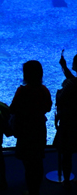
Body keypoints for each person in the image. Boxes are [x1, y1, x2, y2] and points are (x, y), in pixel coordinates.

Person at [10, 60, 52, 195]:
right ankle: (36, 190)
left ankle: (31, 190)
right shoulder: (44, 90)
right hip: (39, 128)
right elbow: (48, 107)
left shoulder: (22, 91)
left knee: (28, 162)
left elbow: (13, 108)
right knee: (38, 160)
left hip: (25, 130)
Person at [55, 51, 77, 190]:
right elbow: (73, 80)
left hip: (69, 123)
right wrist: (64, 67)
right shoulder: (74, 81)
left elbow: (60, 99)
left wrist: (62, 90)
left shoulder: (70, 84)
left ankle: (67, 181)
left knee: (67, 153)